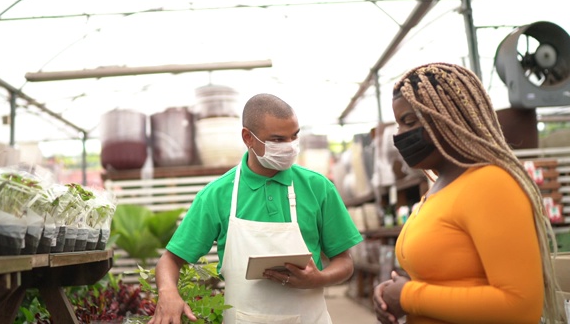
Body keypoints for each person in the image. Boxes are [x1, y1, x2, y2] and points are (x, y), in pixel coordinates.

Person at [373, 62, 566, 324]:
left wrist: (408, 296)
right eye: (398, 125)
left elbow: (520, 306)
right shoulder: (437, 189)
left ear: (450, 116)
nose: (400, 136)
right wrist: (391, 293)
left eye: (409, 122)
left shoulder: (490, 183)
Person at [150, 93, 363, 324]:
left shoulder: (318, 187)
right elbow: (170, 260)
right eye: (277, 140)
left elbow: (345, 261)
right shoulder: (218, 195)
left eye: (294, 136)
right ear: (247, 138)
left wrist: (318, 278)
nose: (290, 147)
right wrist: (168, 293)